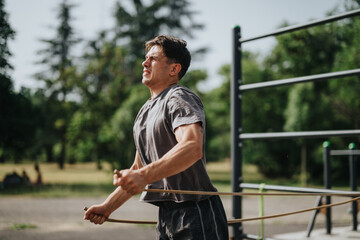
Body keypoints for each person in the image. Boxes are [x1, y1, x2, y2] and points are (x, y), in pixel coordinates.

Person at [84, 35, 229, 239]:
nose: (144, 62)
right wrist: (108, 207)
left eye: (153, 58)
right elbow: (138, 169)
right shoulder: (145, 110)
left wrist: (144, 177)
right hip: (167, 215)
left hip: (196, 212)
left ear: (173, 69)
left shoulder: (178, 97)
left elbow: (191, 146)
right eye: (146, 57)